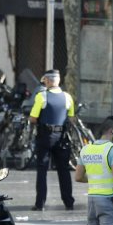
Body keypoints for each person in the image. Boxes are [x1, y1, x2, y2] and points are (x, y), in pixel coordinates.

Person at [29, 69, 75, 211]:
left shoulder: (41, 96)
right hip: (61, 137)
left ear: (47, 81)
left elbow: (33, 118)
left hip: (45, 136)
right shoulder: (67, 97)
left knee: (42, 170)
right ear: (59, 81)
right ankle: (68, 202)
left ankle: (40, 203)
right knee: (64, 170)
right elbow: (71, 118)